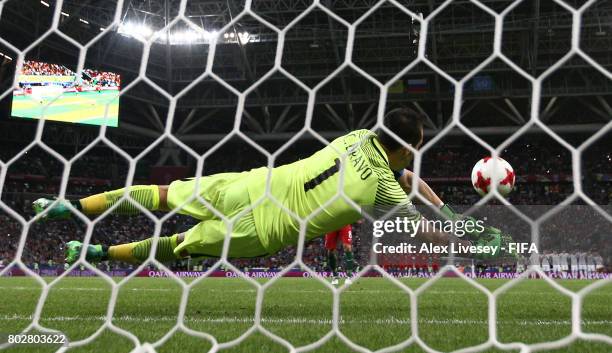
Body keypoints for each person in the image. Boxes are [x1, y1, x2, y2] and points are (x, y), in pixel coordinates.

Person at [33, 108, 512, 265]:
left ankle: (69, 205)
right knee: (179, 245)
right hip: (267, 228)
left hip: (252, 184)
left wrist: (440, 206)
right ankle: (95, 256)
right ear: (406, 148)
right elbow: (418, 220)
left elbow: (409, 176)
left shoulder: (358, 135)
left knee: (161, 194)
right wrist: (467, 235)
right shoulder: (382, 189)